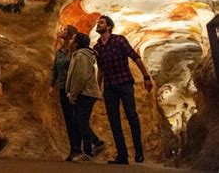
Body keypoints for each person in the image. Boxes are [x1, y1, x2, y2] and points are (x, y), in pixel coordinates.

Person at [94, 15, 153, 165]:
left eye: (101, 22)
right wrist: (97, 86)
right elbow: (100, 68)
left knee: (131, 116)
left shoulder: (119, 40)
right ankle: (122, 156)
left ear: (108, 26)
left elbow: (135, 57)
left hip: (125, 83)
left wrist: (146, 77)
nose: (98, 24)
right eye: (98, 23)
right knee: (114, 121)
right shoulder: (97, 47)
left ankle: (139, 152)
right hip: (109, 87)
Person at [49, 26, 105, 161]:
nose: (60, 31)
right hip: (65, 88)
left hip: (75, 90)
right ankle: (83, 148)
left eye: (64, 30)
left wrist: (73, 93)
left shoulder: (78, 54)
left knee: (78, 120)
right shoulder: (61, 52)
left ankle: (84, 149)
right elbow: (55, 69)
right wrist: (52, 85)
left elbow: (79, 75)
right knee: (74, 120)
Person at [65, 32, 103, 162]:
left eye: (72, 39)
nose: (70, 41)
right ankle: (96, 143)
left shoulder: (81, 56)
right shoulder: (79, 55)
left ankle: (88, 152)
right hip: (85, 93)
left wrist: (73, 94)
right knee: (79, 120)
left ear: (77, 43)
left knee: (82, 121)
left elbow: (80, 77)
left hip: (86, 93)